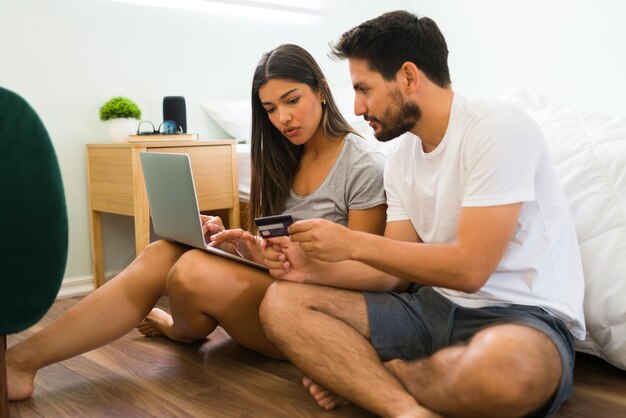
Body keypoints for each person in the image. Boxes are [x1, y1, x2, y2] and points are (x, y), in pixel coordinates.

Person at [6, 43, 387, 402]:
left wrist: (287, 264)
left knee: (191, 270)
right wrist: (245, 248)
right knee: (163, 252)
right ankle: (19, 362)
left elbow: (362, 273)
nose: (282, 118)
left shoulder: (361, 164)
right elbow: (277, 246)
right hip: (278, 283)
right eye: (270, 109)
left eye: (292, 100)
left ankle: (180, 330)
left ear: (320, 90)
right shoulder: (277, 159)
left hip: (310, 313)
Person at [259, 11, 585, 418]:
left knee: (505, 376)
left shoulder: (497, 128)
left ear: (409, 77)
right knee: (281, 304)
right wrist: (305, 269)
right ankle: (404, 408)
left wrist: (351, 243)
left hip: (519, 315)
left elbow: (470, 268)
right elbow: (391, 272)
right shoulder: (401, 159)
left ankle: (373, 376)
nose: (357, 107)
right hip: (429, 306)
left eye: (364, 89)